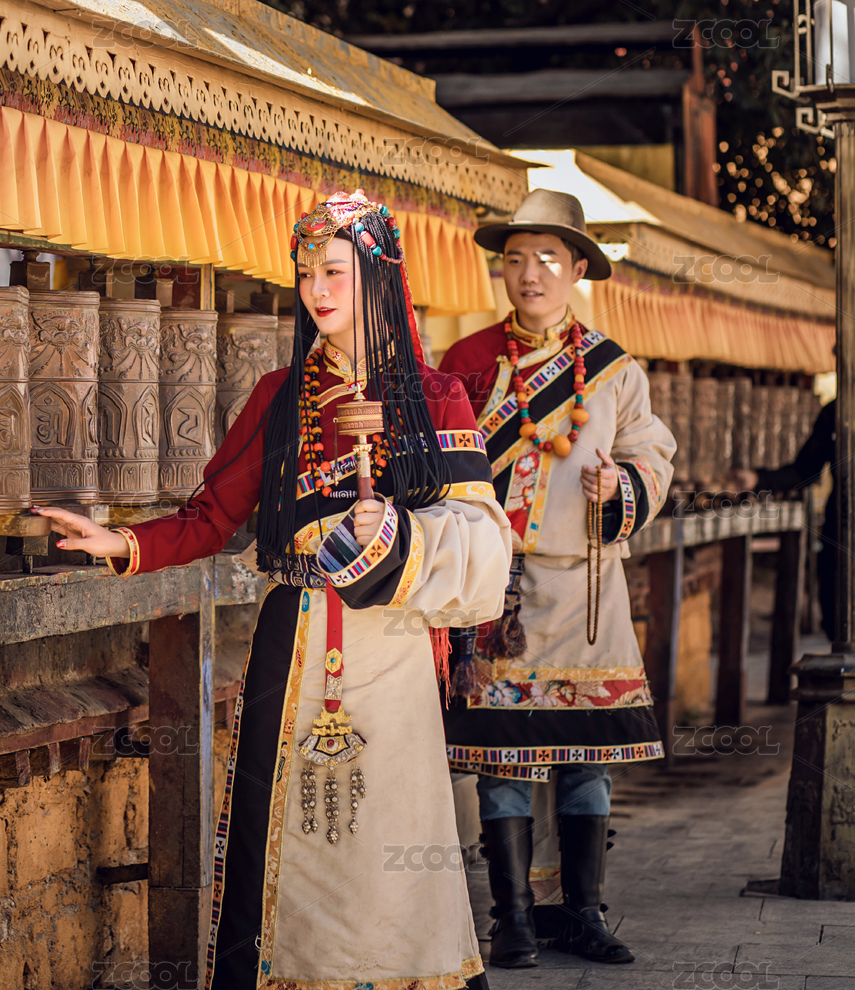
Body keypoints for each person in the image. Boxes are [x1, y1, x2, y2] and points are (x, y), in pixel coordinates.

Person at [36, 191, 511, 990]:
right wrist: (123, 543)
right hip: (291, 642)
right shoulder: (279, 397)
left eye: (335, 271)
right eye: (306, 273)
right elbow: (211, 517)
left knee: (386, 829)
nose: (317, 290)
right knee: (282, 828)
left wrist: (395, 535)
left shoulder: (436, 400)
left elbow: (481, 535)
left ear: (378, 276)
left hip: (391, 648)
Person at [437, 189, 676, 969]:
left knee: (585, 756)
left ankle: (583, 913)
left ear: (577, 269)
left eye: (547, 258)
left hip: (586, 591)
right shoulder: (467, 363)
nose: (529, 273)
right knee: (503, 758)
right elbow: (437, 462)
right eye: (515, 259)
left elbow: (652, 453)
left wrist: (622, 486)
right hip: (495, 590)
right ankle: (511, 919)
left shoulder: (615, 370)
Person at [730, 328, 855, 649]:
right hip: (841, 536)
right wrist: (758, 480)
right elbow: (805, 470)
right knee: (837, 623)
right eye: (849, 372)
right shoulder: (834, 413)